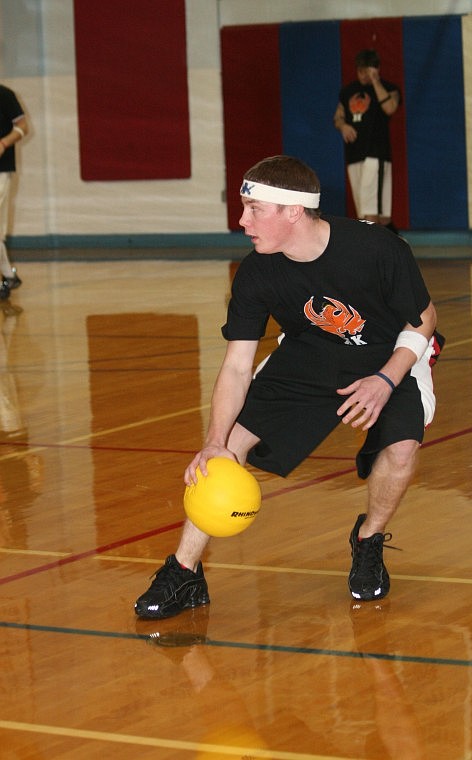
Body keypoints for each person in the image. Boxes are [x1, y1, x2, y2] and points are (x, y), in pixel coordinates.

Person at [135, 154, 443, 620]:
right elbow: (238, 366)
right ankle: (184, 571)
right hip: (309, 353)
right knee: (228, 449)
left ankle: (368, 540)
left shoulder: (377, 248)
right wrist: (214, 442)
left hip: (390, 354)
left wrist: (385, 380)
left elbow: (423, 321)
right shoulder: (258, 272)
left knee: (401, 450)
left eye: (253, 209)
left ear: (292, 211)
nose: (242, 221)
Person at [334, 49, 401, 233]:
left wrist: (375, 81)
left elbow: (390, 108)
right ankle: (396, 244)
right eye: (361, 71)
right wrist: (343, 126)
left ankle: (372, 254)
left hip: (375, 154)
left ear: (376, 69)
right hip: (354, 155)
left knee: (371, 212)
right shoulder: (348, 91)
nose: (363, 76)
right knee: (368, 213)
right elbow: (338, 117)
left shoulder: (389, 88)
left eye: (367, 71)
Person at [0, 83, 28, 300]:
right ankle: (9, 275)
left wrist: (4, 142)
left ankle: (3, 281)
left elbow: (23, 126)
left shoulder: (5, 94)